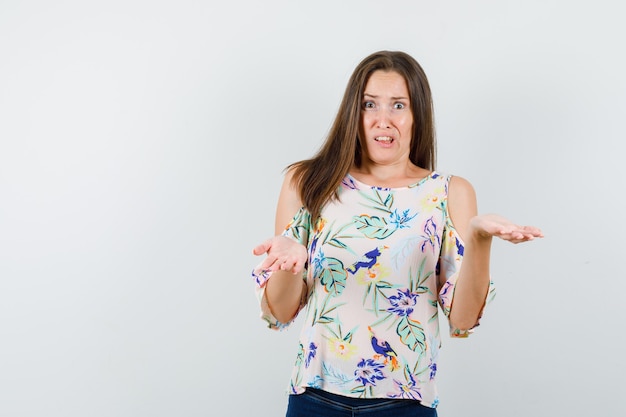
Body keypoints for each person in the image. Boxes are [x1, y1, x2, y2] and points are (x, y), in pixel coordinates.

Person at [251, 50, 543, 417]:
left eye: (398, 106)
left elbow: (463, 319)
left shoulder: (450, 192)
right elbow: (280, 310)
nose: (382, 120)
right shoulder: (308, 182)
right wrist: (289, 259)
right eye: (369, 104)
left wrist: (479, 238)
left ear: (418, 114)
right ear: (352, 114)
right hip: (314, 399)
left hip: (405, 405)